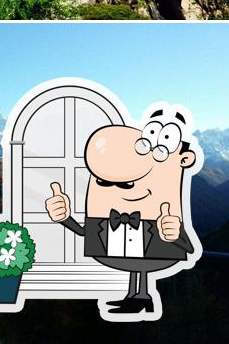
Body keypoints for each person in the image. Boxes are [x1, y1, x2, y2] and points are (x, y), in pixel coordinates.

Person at [45, 105, 197, 315]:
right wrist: (63, 217)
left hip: (152, 247)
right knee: (136, 264)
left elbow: (187, 247)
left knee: (141, 263)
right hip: (122, 248)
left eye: (126, 183)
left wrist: (174, 233)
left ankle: (142, 296)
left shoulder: (162, 212)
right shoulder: (106, 220)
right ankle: (137, 297)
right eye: (103, 183)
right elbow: (84, 232)